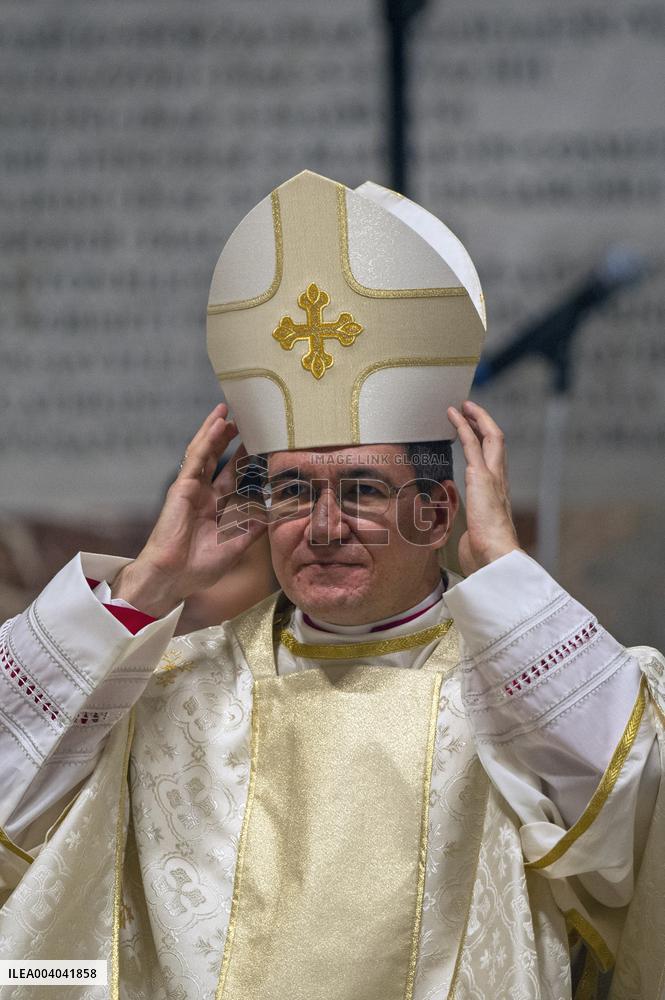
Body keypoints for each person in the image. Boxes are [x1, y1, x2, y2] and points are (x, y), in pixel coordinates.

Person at [1, 171, 664, 1000]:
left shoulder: (531, 693)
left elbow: (639, 834)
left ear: (436, 507)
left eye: (359, 490)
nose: (321, 528)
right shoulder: (166, 695)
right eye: (291, 492)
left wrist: (509, 583)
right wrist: (145, 583)